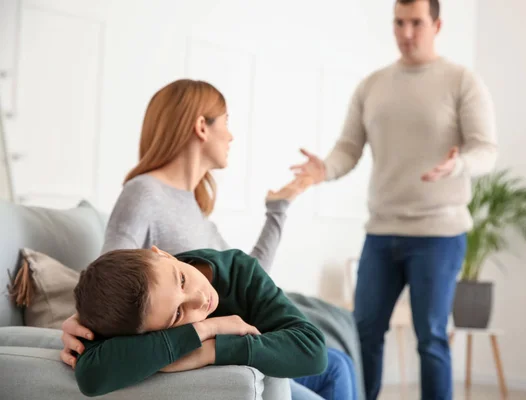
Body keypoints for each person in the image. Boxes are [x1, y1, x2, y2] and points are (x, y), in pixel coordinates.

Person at [59, 78, 357, 400]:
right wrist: (84, 320)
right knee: (337, 364)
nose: (231, 135)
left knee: (338, 357)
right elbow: (114, 279)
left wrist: (278, 210)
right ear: (202, 126)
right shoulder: (144, 193)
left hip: (229, 328)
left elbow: (246, 273)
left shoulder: (193, 203)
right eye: (226, 122)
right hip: (191, 342)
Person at [290, 0, 497, 399]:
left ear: (437, 24)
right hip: (382, 233)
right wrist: (324, 169)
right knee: (364, 332)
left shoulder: (461, 81)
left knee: (431, 338)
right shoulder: (373, 85)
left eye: (416, 23)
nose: (406, 33)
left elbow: (486, 150)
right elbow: (347, 148)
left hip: (439, 233)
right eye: (399, 23)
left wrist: (457, 166)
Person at [71, 245, 328, 396]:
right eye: (178, 315)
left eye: (181, 279)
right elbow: (92, 376)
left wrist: (213, 350)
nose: (198, 299)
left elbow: (313, 351)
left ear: (162, 254)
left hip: (283, 364)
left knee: (338, 369)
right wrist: (207, 328)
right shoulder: (134, 314)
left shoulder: (240, 270)